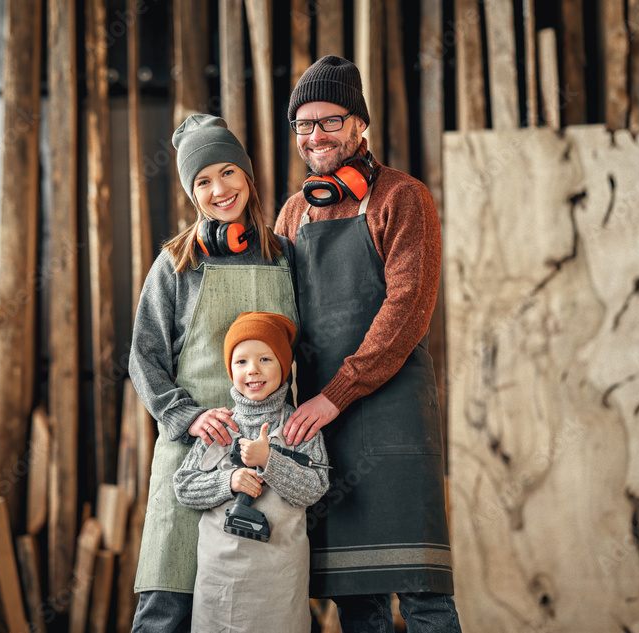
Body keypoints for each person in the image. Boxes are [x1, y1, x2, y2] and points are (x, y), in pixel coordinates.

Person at [274, 55, 463, 633]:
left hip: (393, 412)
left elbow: (407, 309)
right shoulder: (292, 213)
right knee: (357, 598)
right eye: (303, 125)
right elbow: (277, 313)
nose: (315, 136)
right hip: (323, 420)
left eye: (329, 121)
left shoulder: (404, 198)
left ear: (360, 126)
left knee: (422, 589)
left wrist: (337, 391)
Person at [128, 114, 300, 633]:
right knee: (166, 604)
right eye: (203, 180)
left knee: (253, 609)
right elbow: (144, 355)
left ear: (248, 178)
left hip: (263, 461)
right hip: (190, 453)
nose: (219, 189)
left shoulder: (283, 257)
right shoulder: (176, 265)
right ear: (191, 193)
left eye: (228, 172)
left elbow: (305, 352)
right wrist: (185, 416)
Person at [173, 311, 329, 633]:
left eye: (265, 359)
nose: (252, 370)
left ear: (284, 366)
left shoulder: (299, 427)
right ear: (230, 369)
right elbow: (184, 485)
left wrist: (269, 460)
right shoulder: (221, 426)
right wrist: (227, 480)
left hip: (280, 575)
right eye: (241, 361)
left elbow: (316, 486)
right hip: (222, 574)